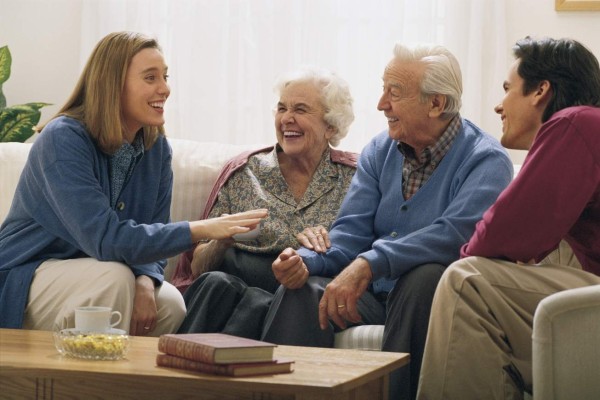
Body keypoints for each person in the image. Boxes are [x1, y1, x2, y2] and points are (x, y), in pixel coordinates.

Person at [260, 43, 513, 400]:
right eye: (384, 90)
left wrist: (371, 262)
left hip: (427, 297)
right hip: (372, 295)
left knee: (424, 276)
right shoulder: (380, 150)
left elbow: (454, 235)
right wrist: (306, 262)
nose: (381, 104)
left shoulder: (486, 160)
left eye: (394, 93)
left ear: (436, 103)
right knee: (301, 290)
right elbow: (350, 233)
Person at [0, 31, 267, 336]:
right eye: (150, 78)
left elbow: (153, 229)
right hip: (23, 277)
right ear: (113, 85)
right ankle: (77, 382)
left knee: (168, 303)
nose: (164, 89)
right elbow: (105, 239)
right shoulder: (63, 139)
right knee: (112, 278)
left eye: (165, 76)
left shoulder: (156, 148)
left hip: (99, 273)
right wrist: (201, 229)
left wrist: (143, 279)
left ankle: (129, 384)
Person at [417, 37, 600, 400]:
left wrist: (472, 250)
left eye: (507, 89)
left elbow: (504, 234)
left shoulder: (576, 122)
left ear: (540, 91)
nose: (499, 106)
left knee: (467, 280)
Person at [173, 67, 358, 339]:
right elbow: (198, 266)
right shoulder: (244, 172)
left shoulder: (355, 178)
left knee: (273, 300)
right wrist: (223, 238)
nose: (287, 119)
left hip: (305, 289)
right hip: (236, 279)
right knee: (214, 283)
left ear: (330, 125)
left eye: (301, 110)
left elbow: (364, 251)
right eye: (282, 108)